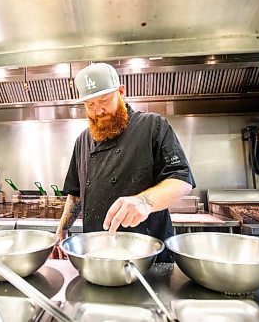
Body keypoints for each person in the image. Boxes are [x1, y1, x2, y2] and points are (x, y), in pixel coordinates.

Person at [52, 62, 195, 262]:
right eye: (90, 105)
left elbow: (181, 180)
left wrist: (143, 202)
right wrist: (61, 231)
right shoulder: (82, 140)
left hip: (148, 258)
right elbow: (75, 195)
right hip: (97, 256)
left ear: (121, 92)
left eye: (104, 100)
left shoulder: (152, 126)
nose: (99, 111)